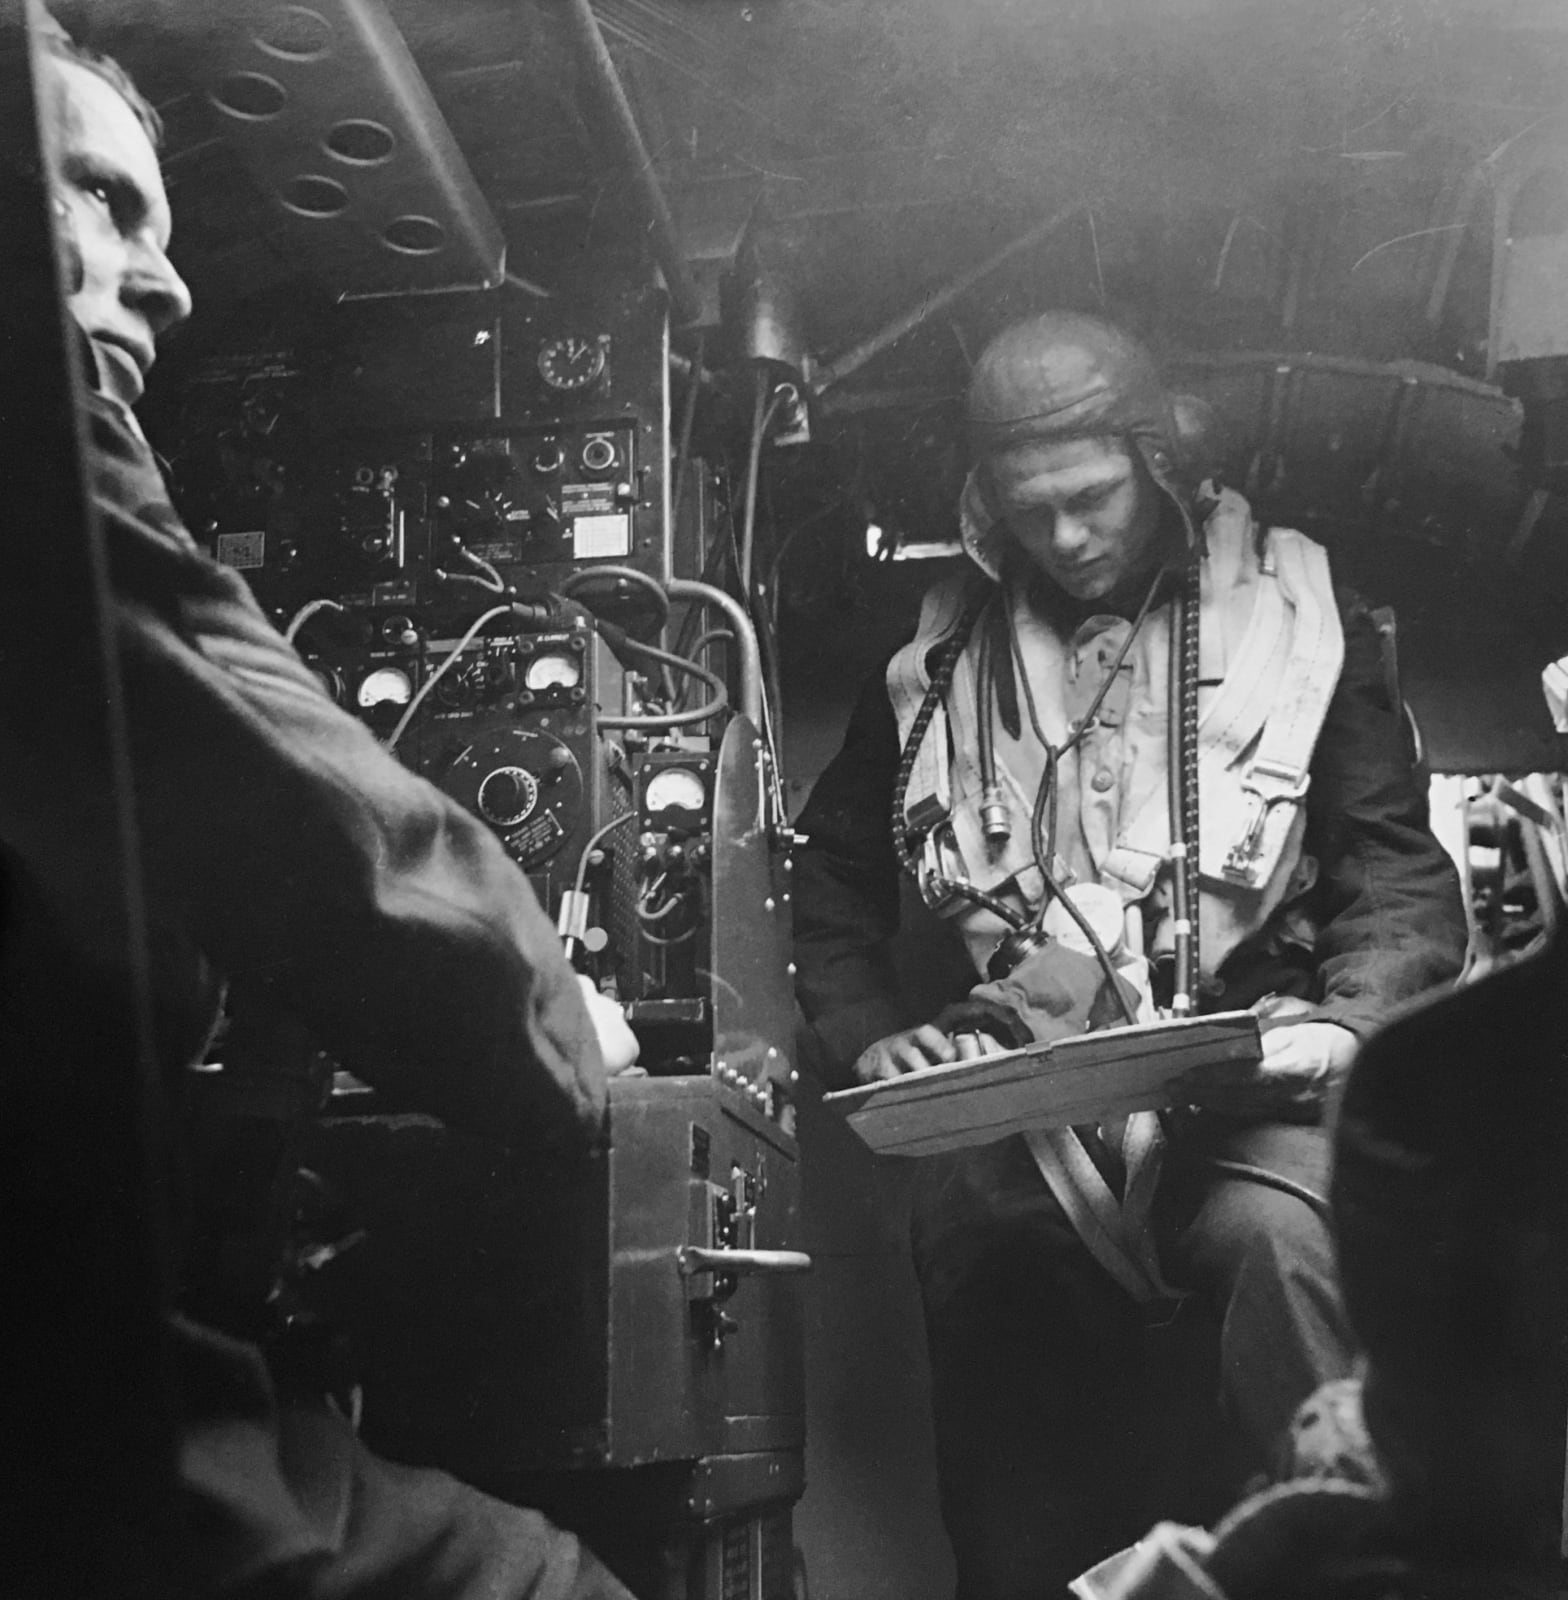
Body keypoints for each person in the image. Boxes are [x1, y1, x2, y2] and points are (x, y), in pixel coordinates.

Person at [4, 21, 639, 1597]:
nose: (171, 283)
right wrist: (557, 1022)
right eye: (100, 200)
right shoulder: (34, 436)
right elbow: (315, 834)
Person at [792, 310, 1469, 1598]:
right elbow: (827, 876)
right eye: (1028, 507)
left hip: (1245, 1074)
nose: (1065, 537)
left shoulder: (1302, 623)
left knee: (1283, 1247)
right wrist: (869, 1028)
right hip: (1024, 1103)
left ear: (1160, 464)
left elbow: (1396, 881)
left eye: (1094, 497)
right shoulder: (936, 660)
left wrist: (1344, 1023)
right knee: (987, 1278)